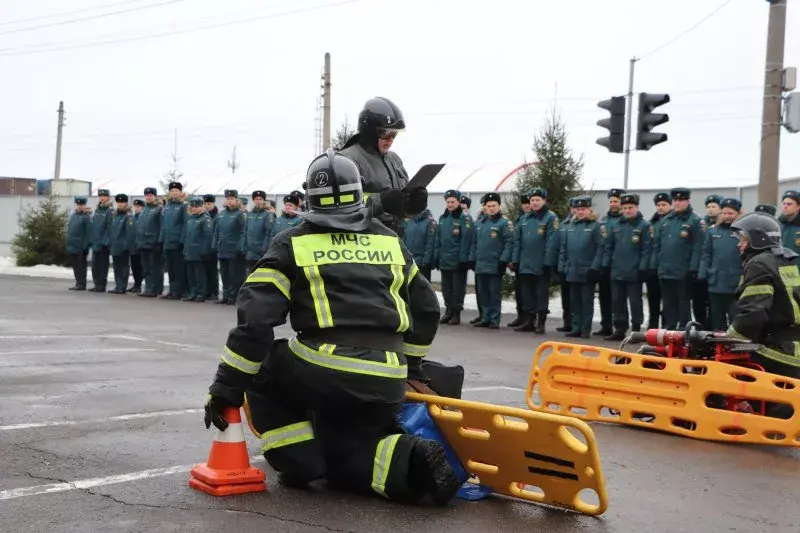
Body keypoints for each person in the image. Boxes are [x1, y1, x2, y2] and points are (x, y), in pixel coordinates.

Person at [203, 148, 461, 505]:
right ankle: (410, 461)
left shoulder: (292, 242)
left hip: (326, 368)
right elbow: (428, 308)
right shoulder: (389, 240)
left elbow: (256, 323)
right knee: (345, 454)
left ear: (310, 200)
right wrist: (411, 366)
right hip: (388, 377)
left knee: (267, 362)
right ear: (359, 196)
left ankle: (298, 461)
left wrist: (225, 388)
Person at [726, 212, 800, 420]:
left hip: (777, 350)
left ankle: (735, 410)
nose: (739, 245)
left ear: (757, 239)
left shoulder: (759, 264)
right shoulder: (786, 260)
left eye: (743, 239)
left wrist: (729, 338)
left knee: (719, 363)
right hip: (793, 347)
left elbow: (753, 314)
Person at [340, 97, 427, 237]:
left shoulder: (394, 160)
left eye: (394, 134)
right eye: (386, 133)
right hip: (364, 241)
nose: (390, 140)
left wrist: (414, 204)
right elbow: (341, 205)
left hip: (394, 239)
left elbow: (401, 205)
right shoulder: (346, 161)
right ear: (370, 132)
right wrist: (382, 201)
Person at [651, 187, 703, 329]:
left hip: (683, 270)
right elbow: (657, 245)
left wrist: (693, 268)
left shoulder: (695, 221)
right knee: (668, 303)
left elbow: (698, 247)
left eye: (681, 200)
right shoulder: (666, 220)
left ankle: (683, 332)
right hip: (665, 269)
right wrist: (655, 264)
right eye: (675, 200)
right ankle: (670, 330)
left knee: (683, 303)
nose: (678, 203)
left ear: (688, 201)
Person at [601, 193, 651, 340]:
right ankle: (620, 329)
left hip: (634, 271)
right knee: (617, 301)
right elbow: (608, 247)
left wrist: (643, 267)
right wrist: (606, 265)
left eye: (630, 207)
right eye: (625, 208)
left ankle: (636, 329)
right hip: (617, 270)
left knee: (635, 301)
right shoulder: (616, 225)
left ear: (636, 207)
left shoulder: (644, 225)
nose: (627, 210)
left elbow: (647, 249)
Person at [510, 187, 558, 334]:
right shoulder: (524, 218)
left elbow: (552, 242)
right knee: (527, 293)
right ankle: (529, 321)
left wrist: (547, 262)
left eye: (538, 200)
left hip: (541, 263)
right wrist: (515, 260)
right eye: (532, 200)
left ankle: (541, 322)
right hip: (525, 263)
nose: (535, 203)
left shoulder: (550, 218)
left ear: (544, 200)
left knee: (541, 293)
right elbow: (517, 241)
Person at [559, 195, 603, 338]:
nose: (580, 212)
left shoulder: (595, 227)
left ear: (589, 210)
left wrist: (594, 268)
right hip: (572, 269)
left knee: (586, 302)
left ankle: (585, 329)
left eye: (583, 209)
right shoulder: (571, 226)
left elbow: (600, 249)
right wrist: (564, 267)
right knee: (574, 302)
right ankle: (576, 327)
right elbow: (564, 248)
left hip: (587, 270)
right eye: (578, 209)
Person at [469, 192, 513, 328]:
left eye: (494, 205)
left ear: (499, 206)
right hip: (481, 264)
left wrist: (503, 260)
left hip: (495, 264)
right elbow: (474, 243)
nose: (491, 208)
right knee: (483, 292)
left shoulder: (504, 223)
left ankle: (494, 319)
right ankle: (485, 317)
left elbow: (509, 242)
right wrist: (472, 258)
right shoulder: (481, 223)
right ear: (485, 207)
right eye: (489, 206)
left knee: (494, 293)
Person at [698, 198, 743, 331]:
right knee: (717, 317)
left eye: (731, 214)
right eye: (724, 213)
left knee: (735, 316)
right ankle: (718, 346)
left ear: (738, 214)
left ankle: (735, 345)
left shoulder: (743, 233)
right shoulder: (713, 232)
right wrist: (703, 273)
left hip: (735, 283)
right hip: (716, 281)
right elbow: (706, 254)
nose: (727, 216)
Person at [434, 189, 475, 325]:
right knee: (446, 288)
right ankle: (449, 311)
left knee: (457, 288)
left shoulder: (464, 217)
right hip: (445, 259)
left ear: (458, 202)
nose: (450, 204)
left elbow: (466, 239)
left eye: (453, 202)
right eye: (448, 202)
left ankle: (456, 313)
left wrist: (464, 259)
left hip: (458, 260)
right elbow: (439, 239)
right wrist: (437, 257)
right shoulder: (443, 218)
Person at [646, 193, 672, 328]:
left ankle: (666, 327)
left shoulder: (672, 221)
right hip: (653, 266)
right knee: (653, 299)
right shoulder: (653, 222)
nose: (660, 208)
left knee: (667, 301)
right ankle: (652, 326)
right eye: (658, 205)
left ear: (670, 205)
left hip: (666, 267)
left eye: (664, 205)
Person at [160, 181, 188, 300]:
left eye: (176, 191)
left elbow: (185, 224)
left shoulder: (183, 206)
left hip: (177, 241)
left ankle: (179, 291)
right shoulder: (167, 206)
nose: (174, 193)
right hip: (167, 241)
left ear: (180, 192)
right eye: (172, 191)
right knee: (170, 268)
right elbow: (164, 224)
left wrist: (182, 240)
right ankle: (172, 290)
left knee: (178, 268)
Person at [183, 197, 213, 302]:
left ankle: (201, 293)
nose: (194, 208)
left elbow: (207, 237)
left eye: (197, 206)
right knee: (191, 274)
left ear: (202, 207)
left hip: (199, 251)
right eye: (193, 207)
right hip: (189, 250)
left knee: (199, 274)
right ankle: (193, 292)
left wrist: (204, 251)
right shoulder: (191, 219)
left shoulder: (205, 219)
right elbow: (187, 236)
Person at [108, 194, 137, 294]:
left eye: (122, 202)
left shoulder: (128, 217)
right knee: (117, 267)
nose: (120, 204)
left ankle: (122, 286)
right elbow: (112, 231)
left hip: (123, 247)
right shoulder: (115, 216)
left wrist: (126, 246)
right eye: (118, 202)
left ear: (126, 203)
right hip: (115, 246)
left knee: (123, 267)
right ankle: (118, 285)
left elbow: (130, 233)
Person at [89, 189, 114, 292]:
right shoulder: (98, 210)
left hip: (103, 244)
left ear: (108, 197)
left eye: (104, 196)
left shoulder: (110, 211)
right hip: (96, 242)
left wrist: (106, 241)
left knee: (103, 266)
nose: (102, 198)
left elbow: (110, 227)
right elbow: (94, 226)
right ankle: (96, 284)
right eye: (100, 196)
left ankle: (101, 285)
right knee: (95, 265)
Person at [66, 196, 92, 291]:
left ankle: (82, 284)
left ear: (84, 205)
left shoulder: (86, 217)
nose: (80, 206)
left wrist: (85, 246)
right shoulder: (74, 216)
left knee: (81, 266)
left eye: (82, 205)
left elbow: (88, 233)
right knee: (75, 266)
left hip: (81, 247)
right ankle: (78, 282)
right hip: (72, 245)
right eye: (78, 205)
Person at [128, 199, 145, 293]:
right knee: (134, 267)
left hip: (141, 245)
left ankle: (139, 285)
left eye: (139, 207)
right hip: (133, 246)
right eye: (136, 207)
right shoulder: (133, 217)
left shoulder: (143, 217)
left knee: (140, 266)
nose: (137, 208)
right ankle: (136, 284)